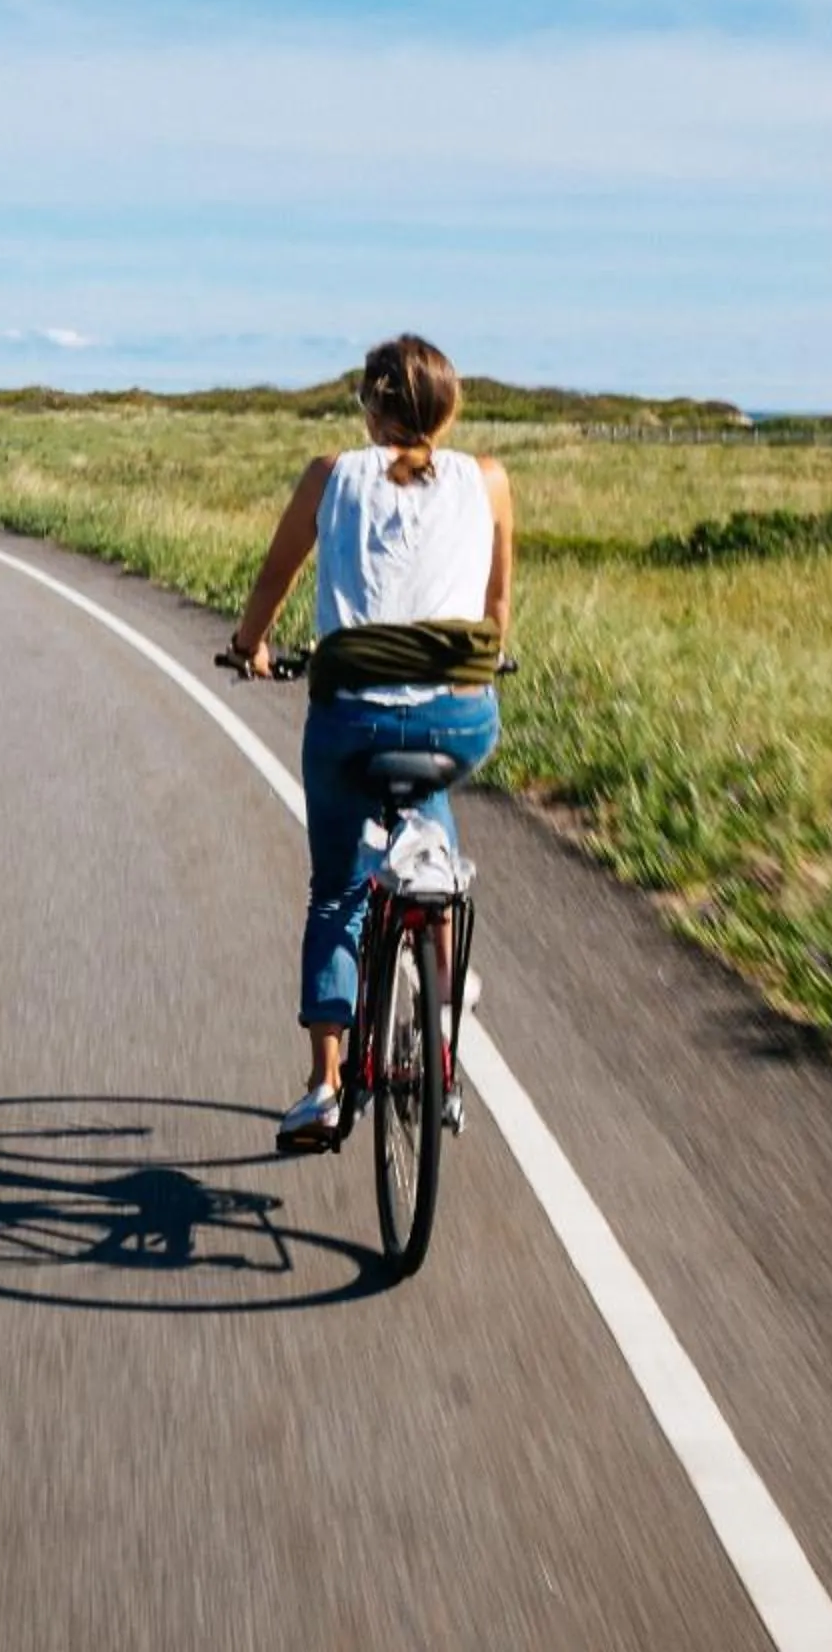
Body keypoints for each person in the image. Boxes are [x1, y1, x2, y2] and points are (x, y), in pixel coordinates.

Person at [226, 335, 515, 1151]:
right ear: (449, 411)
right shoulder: (488, 479)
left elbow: (273, 582)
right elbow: (497, 604)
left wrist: (253, 643)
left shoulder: (330, 476)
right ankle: (446, 1001)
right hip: (454, 721)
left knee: (338, 892)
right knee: (432, 826)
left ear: (370, 406)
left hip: (350, 722)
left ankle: (325, 1088)